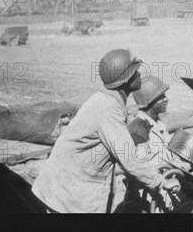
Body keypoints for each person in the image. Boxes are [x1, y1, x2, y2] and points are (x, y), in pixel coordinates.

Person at [31, 49, 180, 213]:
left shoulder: (107, 100)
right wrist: (161, 182)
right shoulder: (108, 110)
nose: (139, 76)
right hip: (69, 189)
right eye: (135, 72)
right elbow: (129, 160)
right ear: (125, 80)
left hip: (67, 183)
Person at [118, 76, 193, 213]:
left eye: (165, 95)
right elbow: (137, 170)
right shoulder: (138, 131)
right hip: (144, 202)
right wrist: (164, 181)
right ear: (148, 102)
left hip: (162, 196)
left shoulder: (158, 125)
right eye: (161, 96)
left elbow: (164, 156)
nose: (166, 99)